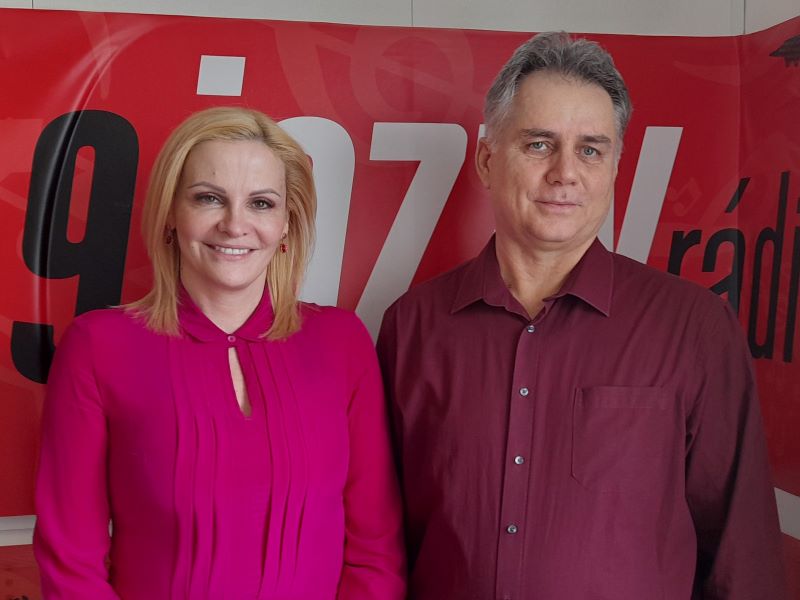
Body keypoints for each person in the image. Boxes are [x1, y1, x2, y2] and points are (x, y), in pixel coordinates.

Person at [377, 32, 786, 599]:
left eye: (591, 150)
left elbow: (743, 554)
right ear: (488, 160)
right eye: (539, 144)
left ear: (614, 167)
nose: (565, 173)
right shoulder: (412, 327)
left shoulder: (692, 328)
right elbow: (380, 541)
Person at [34, 106, 406, 599]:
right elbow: (70, 562)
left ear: (287, 224)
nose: (235, 225)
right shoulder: (97, 347)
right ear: (171, 213)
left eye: (261, 203)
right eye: (209, 198)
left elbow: (375, 550)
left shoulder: (342, 342)